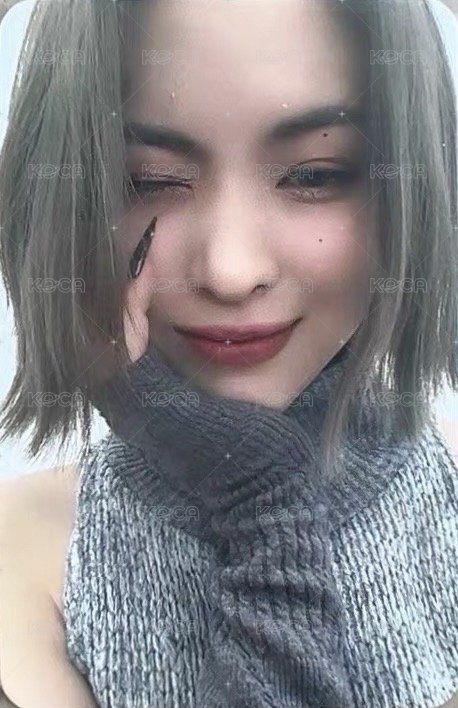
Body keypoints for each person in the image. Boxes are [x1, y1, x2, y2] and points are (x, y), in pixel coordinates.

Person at [0, 0, 457, 706]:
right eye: (148, 180)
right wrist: (257, 493)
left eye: (316, 175)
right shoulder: (20, 549)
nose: (232, 272)